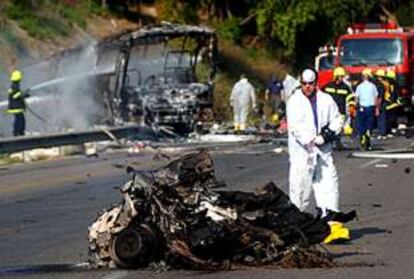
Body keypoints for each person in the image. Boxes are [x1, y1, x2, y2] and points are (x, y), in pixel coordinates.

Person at [287, 68, 350, 243]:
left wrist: (328, 134)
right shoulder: (294, 101)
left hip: (323, 153)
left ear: (316, 83)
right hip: (303, 154)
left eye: (311, 83)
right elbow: (295, 128)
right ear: (301, 83)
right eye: (305, 83)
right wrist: (313, 140)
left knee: (329, 186)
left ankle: (331, 226)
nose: (307, 87)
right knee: (299, 191)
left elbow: (338, 118)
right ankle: (297, 229)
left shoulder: (326, 100)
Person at [322, 67, 354, 148]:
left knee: (338, 128)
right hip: (329, 111)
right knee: (330, 127)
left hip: (341, 111)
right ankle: (331, 142)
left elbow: (351, 98)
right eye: (340, 76)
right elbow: (320, 96)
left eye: (342, 76)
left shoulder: (346, 87)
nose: (342, 78)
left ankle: (337, 142)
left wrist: (351, 106)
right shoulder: (328, 86)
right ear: (336, 76)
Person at [355, 69, 379, 150]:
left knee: (361, 124)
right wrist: (377, 108)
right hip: (370, 108)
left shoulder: (359, 86)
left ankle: (362, 137)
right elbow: (375, 98)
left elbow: (356, 98)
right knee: (369, 123)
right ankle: (368, 133)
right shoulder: (373, 86)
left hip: (362, 108)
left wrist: (356, 107)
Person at [6, 70, 28, 136]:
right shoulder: (14, 86)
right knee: (20, 121)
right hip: (16, 107)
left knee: (19, 120)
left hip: (16, 107)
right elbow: (16, 96)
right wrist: (24, 94)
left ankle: (18, 132)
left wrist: (24, 94)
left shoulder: (14, 85)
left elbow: (17, 95)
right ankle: (18, 133)